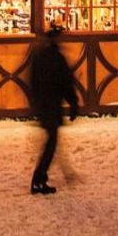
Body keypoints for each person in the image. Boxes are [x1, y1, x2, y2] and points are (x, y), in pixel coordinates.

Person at [28, 22, 79, 193]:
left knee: (52, 141)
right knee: (51, 143)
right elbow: (66, 82)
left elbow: (33, 80)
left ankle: (49, 175)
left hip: (43, 104)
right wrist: (73, 103)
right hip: (51, 105)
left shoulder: (39, 55)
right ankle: (38, 179)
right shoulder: (56, 57)